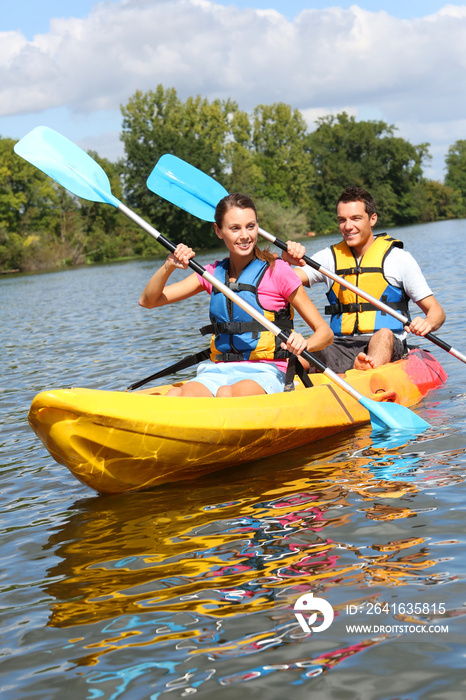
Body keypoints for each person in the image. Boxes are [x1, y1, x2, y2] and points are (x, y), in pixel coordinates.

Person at [139, 192, 333, 397]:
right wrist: (169, 265)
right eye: (235, 228)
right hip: (218, 370)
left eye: (250, 226)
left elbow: (325, 334)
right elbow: (148, 301)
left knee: (226, 394)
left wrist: (305, 344)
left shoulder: (278, 271)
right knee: (175, 397)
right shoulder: (212, 274)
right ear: (218, 231)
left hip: (267, 371)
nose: (245, 236)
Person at [283, 185, 445, 373]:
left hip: (386, 343)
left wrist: (427, 323)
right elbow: (285, 281)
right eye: (342, 220)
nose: (348, 226)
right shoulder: (328, 258)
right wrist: (285, 260)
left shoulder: (398, 259)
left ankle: (367, 371)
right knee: (300, 355)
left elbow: (437, 312)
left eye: (356, 218)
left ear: (372, 219)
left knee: (383, 333)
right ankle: (291, 381)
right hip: (340, 345)